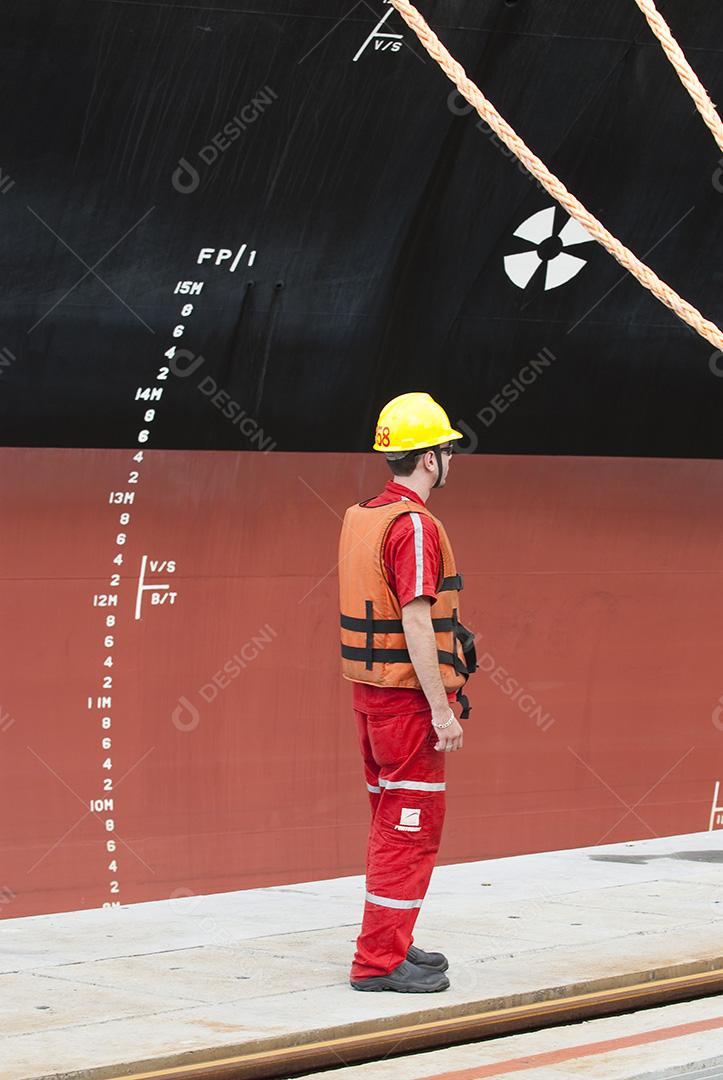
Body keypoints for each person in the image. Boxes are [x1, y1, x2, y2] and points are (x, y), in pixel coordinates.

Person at [338, 391, 477, 993]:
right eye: (448, 450)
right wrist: (444, 712)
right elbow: (417, 622)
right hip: (407, 704)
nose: (452, 460)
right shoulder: (414, 527)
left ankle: (392, 939)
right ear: (428, 460)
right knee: (410, 827)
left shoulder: (365, 514)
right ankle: (377, 962)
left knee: (390, 819)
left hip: (371, 697)